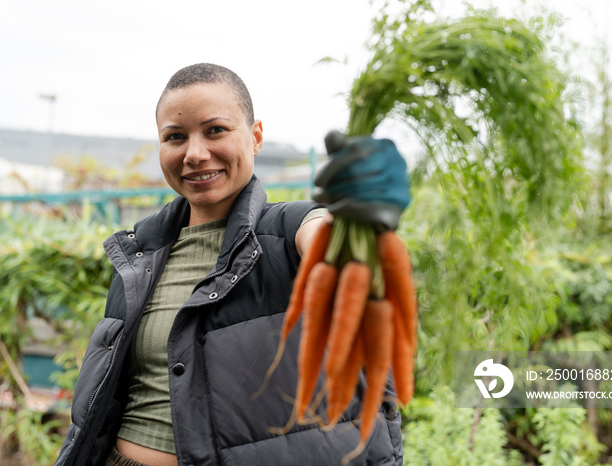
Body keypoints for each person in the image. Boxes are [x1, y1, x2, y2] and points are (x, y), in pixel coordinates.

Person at [55, 63, 405, 466]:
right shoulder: (138, 258)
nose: (195, 154)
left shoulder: (289, 229)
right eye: (175, 137)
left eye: (215, 130)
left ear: (255, 137)